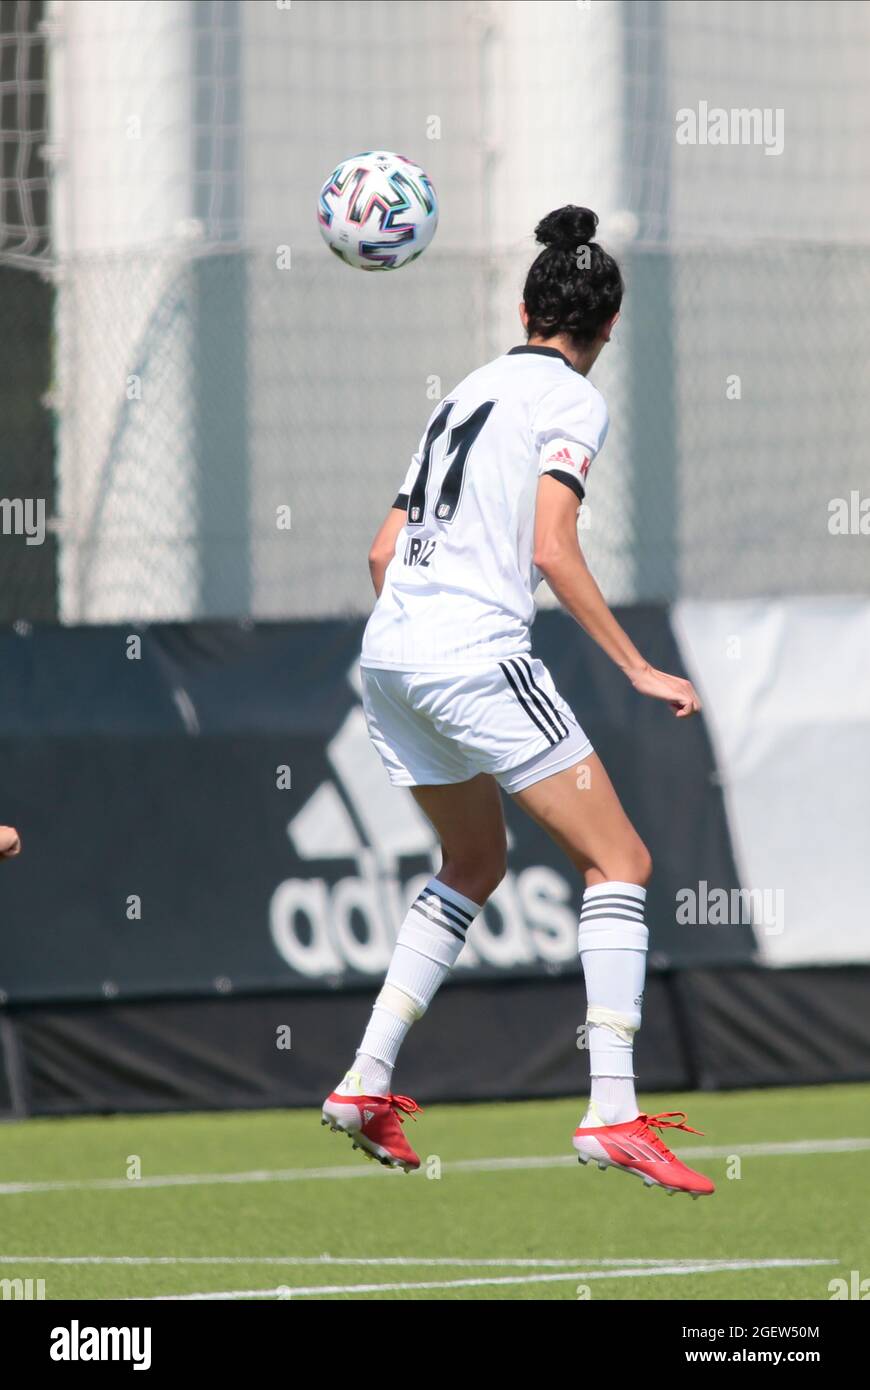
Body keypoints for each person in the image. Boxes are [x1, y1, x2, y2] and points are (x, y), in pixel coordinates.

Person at [322, 205, 714, 1198]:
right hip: (470, 658)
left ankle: (366, 1081)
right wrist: (636, 666)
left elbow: (381, 551)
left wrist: (423, 645)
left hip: (392, 658)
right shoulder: (572, 401)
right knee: (619, 861)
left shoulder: (463, 392)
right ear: (607, 329)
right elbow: (551, 547)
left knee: (474, 861)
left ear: (528, 304)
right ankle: (613, 1112)